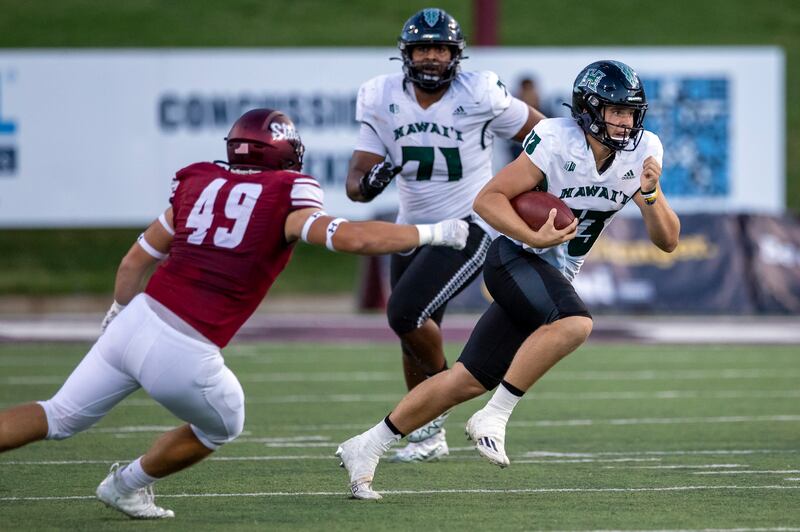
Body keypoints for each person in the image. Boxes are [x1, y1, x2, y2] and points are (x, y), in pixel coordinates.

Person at [0, 108, 469, 519]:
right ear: (284, 153)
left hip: (138, 318)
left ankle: (127, 487)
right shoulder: (287, 192)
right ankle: (126, 484)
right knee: (223, 422)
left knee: (56, 414)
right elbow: (353, 239)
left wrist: (118, 314)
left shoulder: (198, 182)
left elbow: (134, 260)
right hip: (185, 345)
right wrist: (432, 234)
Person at [337, 60, 681, 499]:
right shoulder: (557, 140)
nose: (624, 121)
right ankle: (495, 415)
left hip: (552, 273)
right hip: (513, 256)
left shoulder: (643, 150)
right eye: (614, 111)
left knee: (465, 379)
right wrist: (528, 233)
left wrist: (650, 194)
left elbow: (668, 241)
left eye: (630, 112)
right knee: (575, 323)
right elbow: (488, 199)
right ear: (589, 109)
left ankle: (366, 446)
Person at [344, 7, 545, 463]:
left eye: (440, 48)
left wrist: (527, 184)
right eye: (423, 48)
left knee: (405, 313)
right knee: (413, 329)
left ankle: (436, 408)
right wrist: (368, 183)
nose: (431, 57)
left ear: (456, 55)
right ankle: (428, 437)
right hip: (412, 228)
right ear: (406, 54)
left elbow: (542, 133)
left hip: (468, 225)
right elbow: (355, 181)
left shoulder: (479, 93)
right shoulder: (380, 96)